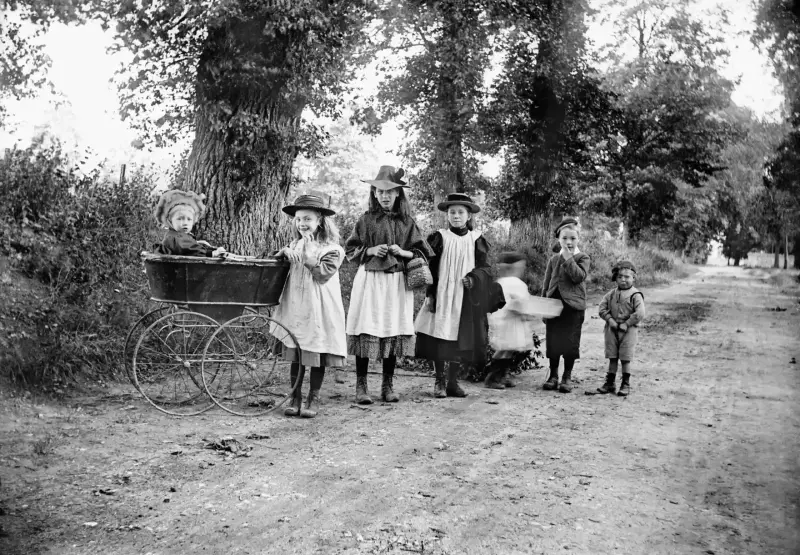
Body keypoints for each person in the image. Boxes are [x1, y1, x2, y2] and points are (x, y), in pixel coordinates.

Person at [345, 166, 433, 404]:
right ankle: (361, 386)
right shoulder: (366, 220)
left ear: (398, 195)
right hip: (370, 281)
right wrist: (371, 250)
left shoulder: (407, 222)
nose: (385, 196)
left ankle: (387, 385)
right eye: (380, 191)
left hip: (396, 283)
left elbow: (423, 253)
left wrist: (402, 252)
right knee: (367, 325)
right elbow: (350, 250)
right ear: (374, 193)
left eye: (390, 192)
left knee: (392, 327)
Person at [271, 191, 347, 418]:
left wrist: (307, 257)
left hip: (319, 307)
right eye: (299, 219)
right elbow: (279, 268)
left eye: (308, 219)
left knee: (316, 350)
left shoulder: (331, 249)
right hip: (296, 305)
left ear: (320, 221)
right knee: (296, 351)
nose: (302, 223)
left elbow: (323, 274)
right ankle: (295, 396)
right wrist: (283, 253)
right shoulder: (293, 244)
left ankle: (313, 396)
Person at [414, 192, 495, 398]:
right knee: (440, 336)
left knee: (460, 338)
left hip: (463, 296)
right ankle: (439, 381)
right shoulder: (439, 237)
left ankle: (453, 381)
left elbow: (486, 268)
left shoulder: (476, 239)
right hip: (442, 294)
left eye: (461, 212)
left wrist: (474, 278)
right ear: (447, 215)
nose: (456, 216)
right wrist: (430, 295)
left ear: (469, 216)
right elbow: (430, 268)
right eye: (452, 212)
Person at [541, 216, 591, 393]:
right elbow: (546, 284)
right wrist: (544, 307)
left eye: (572, 238)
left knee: (570, 343)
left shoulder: (582, 258)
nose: (568, 242)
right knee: (553, 341)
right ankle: (553, 375)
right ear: (558, 239)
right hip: (554, 305)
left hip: (573, 308)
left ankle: (567, 376)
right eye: (564, 238)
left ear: (578, 239)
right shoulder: (554, 260)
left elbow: (579, 277)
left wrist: (569, 258)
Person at [484, 251, 539, 389]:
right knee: (504, 349)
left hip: (507, 321)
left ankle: (503, 375)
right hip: (508, 321)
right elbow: (518, 303)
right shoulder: (513, 284)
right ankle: (493, 378)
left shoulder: (502, 282)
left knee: (509, 349)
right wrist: (527, 312)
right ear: (512, 268)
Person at [596, 260, 646, 397]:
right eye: (620, 277)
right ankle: (610, 383)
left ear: (634, 278)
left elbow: (640, 313)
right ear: (615, 278)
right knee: (612, 356)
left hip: (628, 331)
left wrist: (627, 323)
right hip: (612, 329)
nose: (623, 280)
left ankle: (625, 383)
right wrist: (610, 320)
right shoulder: (611, 294)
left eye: (627, 277)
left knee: (625, 357)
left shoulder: (636, 295)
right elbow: (602, 308)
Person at [153, 190, 226, 257]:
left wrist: (197, 243)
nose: (185, 223)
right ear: (170, 221)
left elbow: (187, 245)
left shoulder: (177, 235)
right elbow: (188, 248)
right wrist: (212, 253)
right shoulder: (174, 237)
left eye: (189, 219)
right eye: (180, 219)